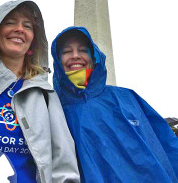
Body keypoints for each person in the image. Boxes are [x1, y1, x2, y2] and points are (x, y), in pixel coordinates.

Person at [0, 1, 80, 183]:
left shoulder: (45, 96)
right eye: (10, 22)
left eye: (27, 26)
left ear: (33, 42)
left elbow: (63, 166)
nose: (19, 29)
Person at [51, 26, 178, 183]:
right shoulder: (55, 112)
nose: (75, 55)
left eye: (83, 50)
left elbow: (168, 145)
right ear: (57, 61)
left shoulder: (127, 97)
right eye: (66, 51)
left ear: (93, 57)